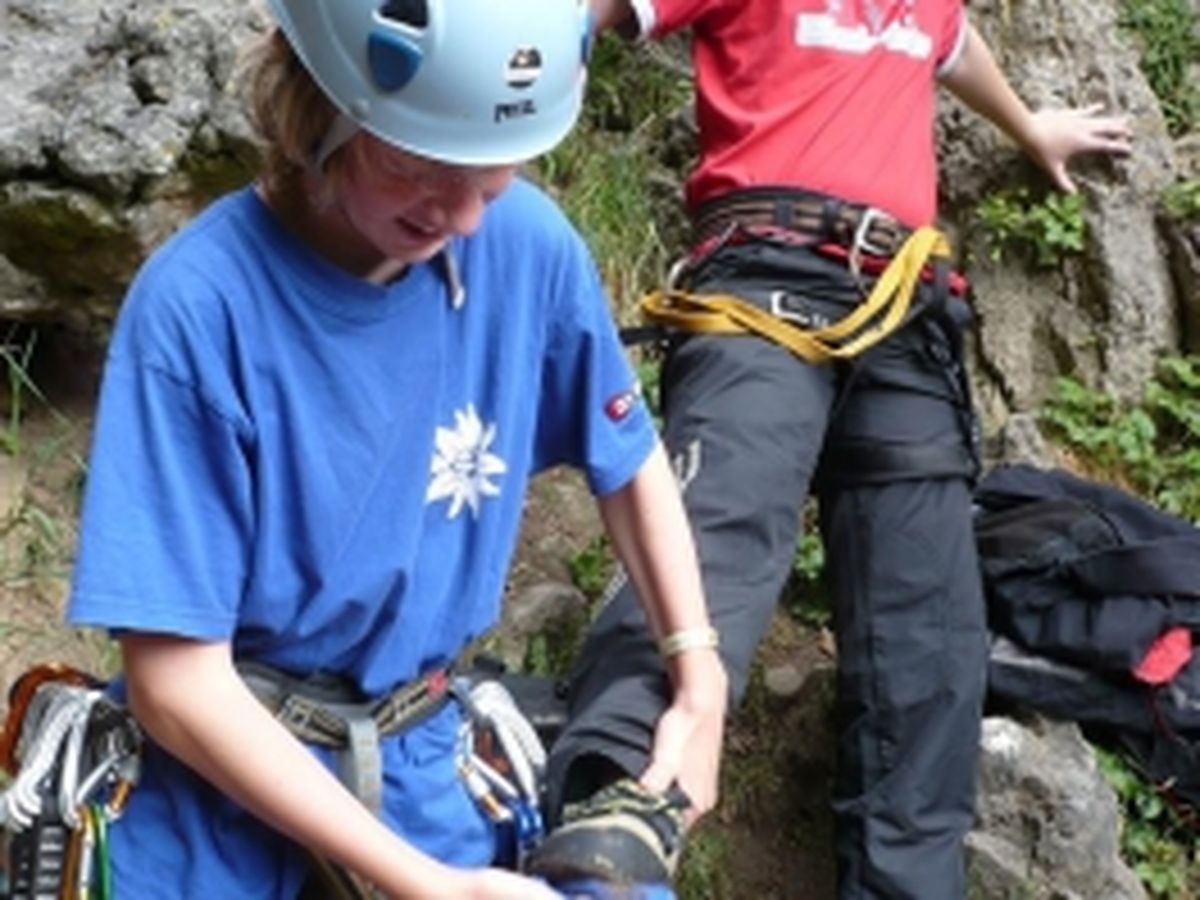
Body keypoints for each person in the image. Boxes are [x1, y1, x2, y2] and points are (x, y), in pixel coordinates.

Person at [63, 0, 727, 897]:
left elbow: (629, 459)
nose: (460, 221)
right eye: (420, 168)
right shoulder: (200, 308)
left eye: (492, 179)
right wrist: (424, 884)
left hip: (424, 757)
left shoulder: (525, 249)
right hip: (216, 798)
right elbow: (177, 685)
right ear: (320, 108)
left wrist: (698, 670)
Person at [527, 1, 1134, 897]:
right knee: (716, 525)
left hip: (905, 305)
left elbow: (955, 45)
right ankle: (617, 801)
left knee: (928, 628)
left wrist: (1029, 124)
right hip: (764, 273)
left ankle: (910, 883)